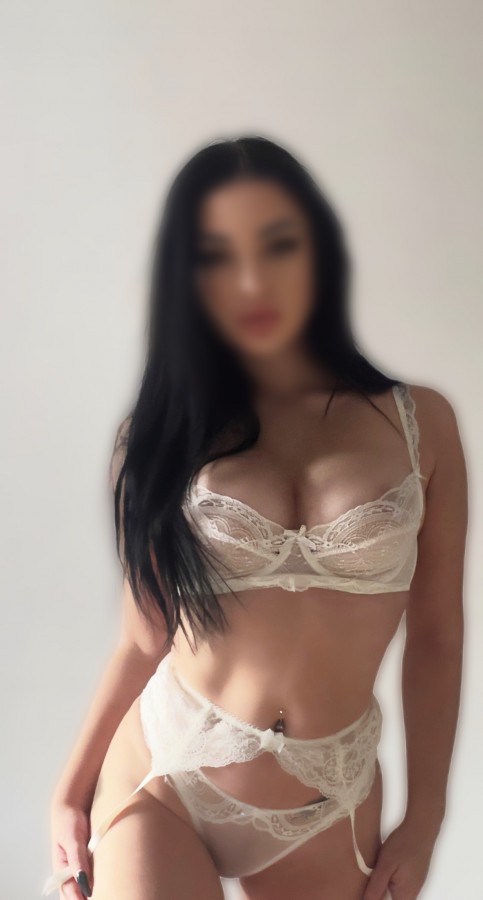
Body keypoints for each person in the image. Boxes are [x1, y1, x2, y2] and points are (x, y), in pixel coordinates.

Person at [42, 135, 467, 900]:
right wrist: (69, 792)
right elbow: (144, 634)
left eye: (277, 245)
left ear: (318, 251)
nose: (250, 281)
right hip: (166, 775)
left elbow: (436, 634)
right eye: (216, 257)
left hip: (329, 797)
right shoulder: (159, 435)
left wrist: (427, 814)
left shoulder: (419, 425)